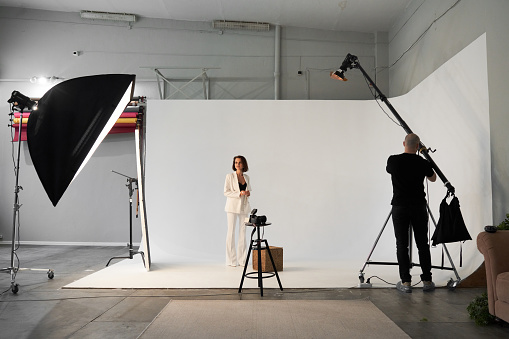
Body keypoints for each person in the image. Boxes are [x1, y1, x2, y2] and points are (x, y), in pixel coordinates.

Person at [386, 133, 437, 293]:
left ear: (403, 143)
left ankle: (406, 282)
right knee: (423, 244)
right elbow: (433, 178)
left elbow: (389, 171)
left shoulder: (393, 160)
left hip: (400, 206)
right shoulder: (422, 162)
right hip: (418, 207)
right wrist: (425, 157)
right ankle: (427, 281)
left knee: (402, 244)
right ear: (417, 146)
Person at [224, 155, 251, 267]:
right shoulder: (229, 176)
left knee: (243, 233)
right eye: (236, 162)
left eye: (239, 162)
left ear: (243, 164)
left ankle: (242, 260)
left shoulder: (247, 177)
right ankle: (231, 260)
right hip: (232, 207)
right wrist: (239, 193)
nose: (237, 164)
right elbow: (226, 192)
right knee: (231, 232)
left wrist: (248, 193)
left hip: (244, 207)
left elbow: (248, 190)